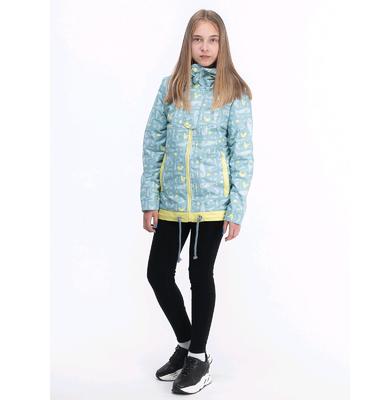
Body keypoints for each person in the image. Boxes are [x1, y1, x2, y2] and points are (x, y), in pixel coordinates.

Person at [140, 9, 254, 395]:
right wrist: (149, 200)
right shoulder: (171, 87)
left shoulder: (234, 91)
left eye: (212, 40)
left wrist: (236, 208)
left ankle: (198, 358)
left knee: (199, 275)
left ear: (222, 44)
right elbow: (153, 144)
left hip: (212, 206)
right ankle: (189, 345)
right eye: (198, 39)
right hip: (171, 201)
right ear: (188, 43)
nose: (205, 47)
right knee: (158, 274)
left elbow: (242, 154)